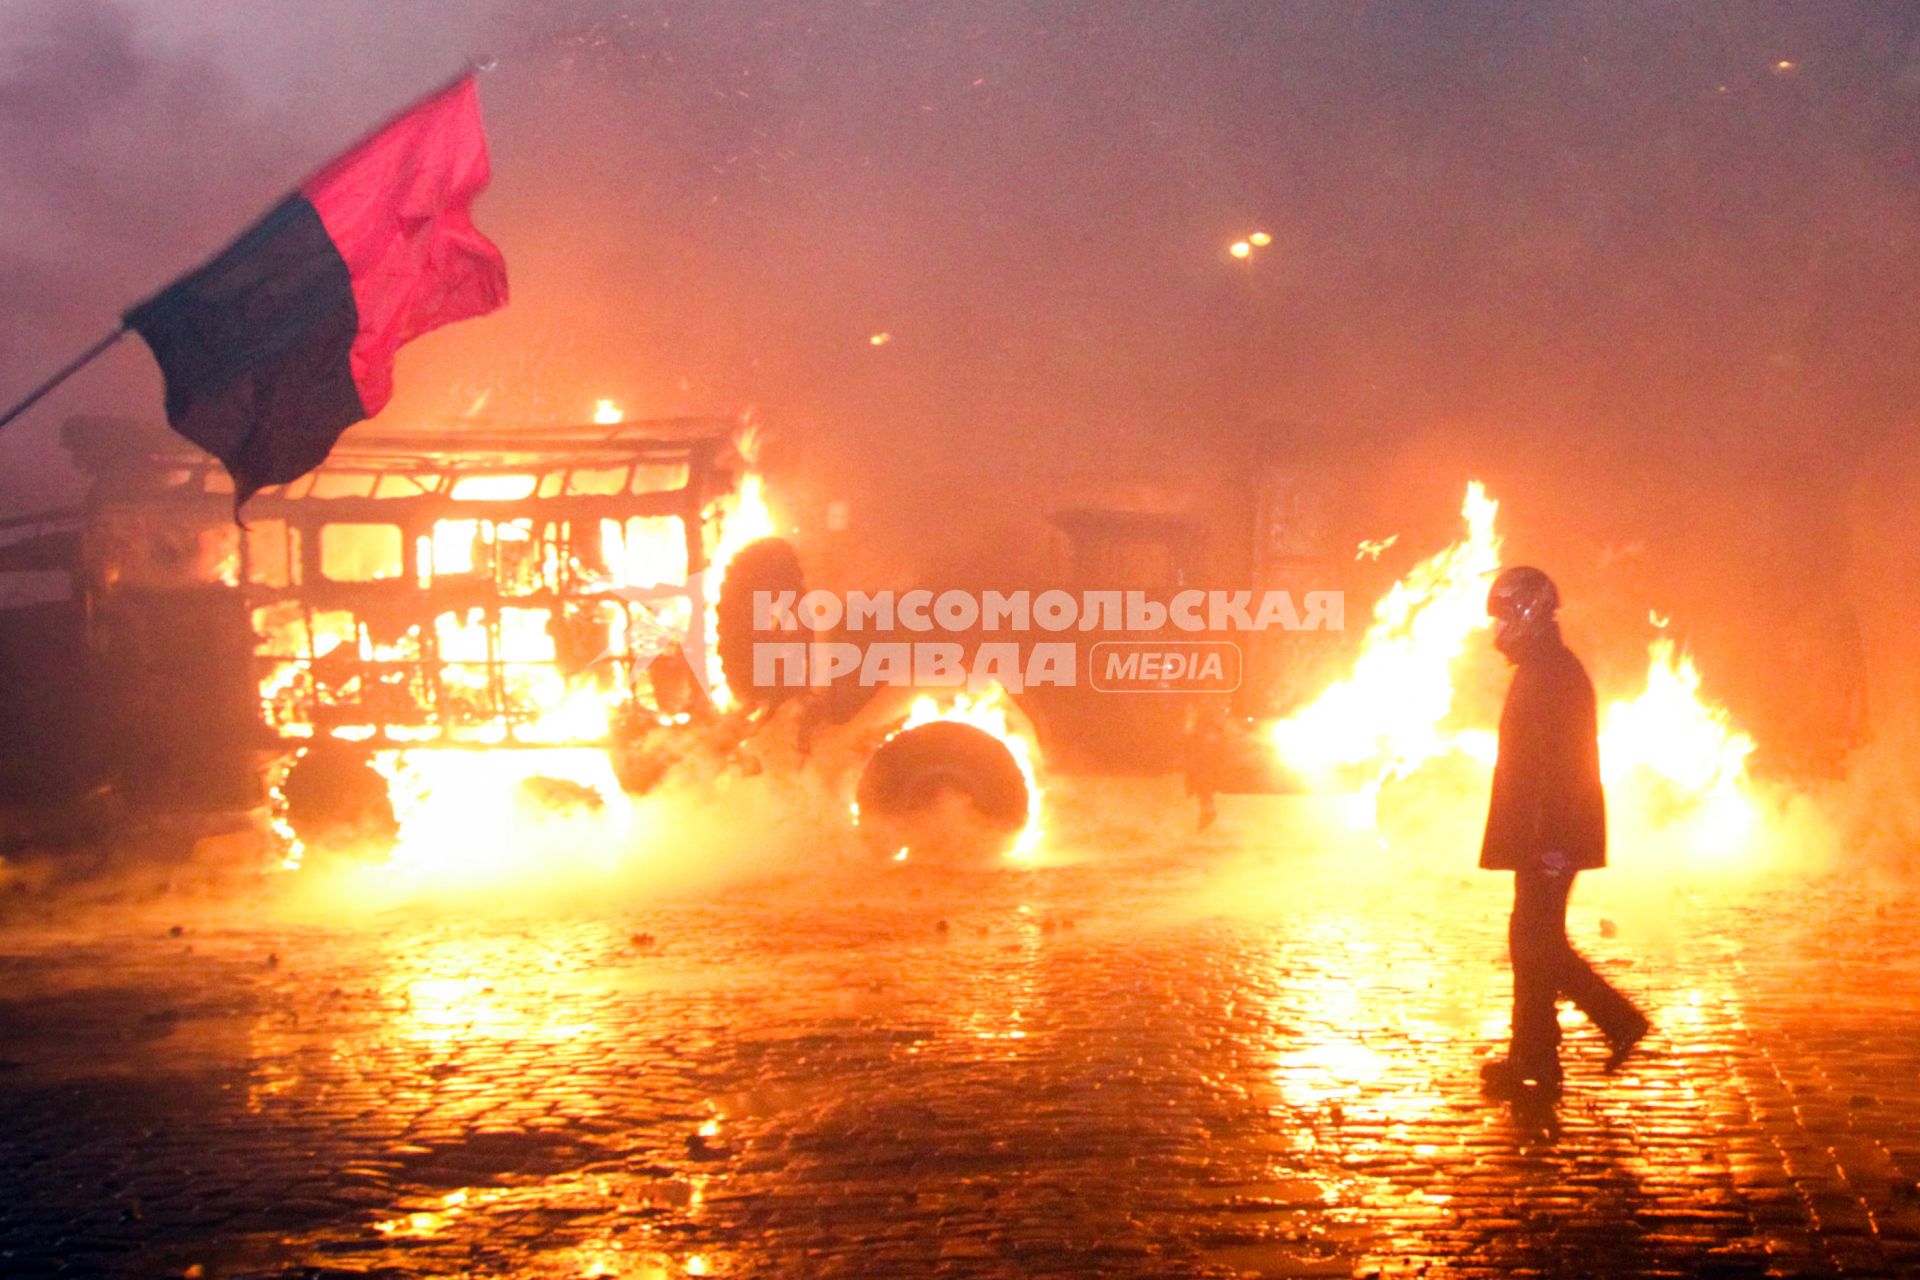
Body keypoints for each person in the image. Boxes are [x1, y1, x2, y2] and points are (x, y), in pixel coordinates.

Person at [1478, 566, 1648, 1098]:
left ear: (1526, 612)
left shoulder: (1553, 674)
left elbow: (1562, 768)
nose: (1499, 629)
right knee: (1531, 941)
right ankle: (1535, 1057)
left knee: (1538, 943)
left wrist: (1551, 845)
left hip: (1550, 836)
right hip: (1540, 834)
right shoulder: (1541, 668)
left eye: (1505, 615)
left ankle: (1615, 1022)